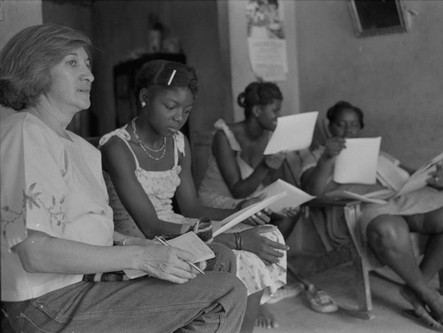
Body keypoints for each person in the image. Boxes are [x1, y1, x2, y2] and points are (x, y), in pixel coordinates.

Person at [0, 24, 246, 333]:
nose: (88, 74)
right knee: (225, 291)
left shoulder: (81, 148)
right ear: (35, 69)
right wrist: (142, 257)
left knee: (217, 258)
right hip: (48, 302)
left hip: (89, 282)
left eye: (88, 64)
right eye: (72, 63)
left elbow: (90, 233)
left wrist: (146, 246)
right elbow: (34, 251)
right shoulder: (26, 132)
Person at [99, 61, 286, 333]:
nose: (179, 118)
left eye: (186, 110)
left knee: (265, 235)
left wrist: (241, 210)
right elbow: (150, 226)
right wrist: (233, 238)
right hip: (139, 238)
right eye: (170, 107)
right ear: (144, 98)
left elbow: (191, 206)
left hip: (177, 225)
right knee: (243, 256)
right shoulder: (117, 146)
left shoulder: (177, 143)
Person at [300, 101, 443, 330]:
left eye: (353, 125)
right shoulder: (317, 155)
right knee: (389, 228)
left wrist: (432, 175)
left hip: (401, 200)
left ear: (360, 127)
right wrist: (327, 159)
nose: (347, 131)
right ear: (329, 126)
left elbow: (410, 172)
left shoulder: (376, 153)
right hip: (363, 209)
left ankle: (417, 288)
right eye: (340, 124)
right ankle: (428, 294)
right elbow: (312, 193)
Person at [198, 81, 338, 326]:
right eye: (275, 111)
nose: (278, 117)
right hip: (221, 201)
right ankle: (255, 299)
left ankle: (260, 289)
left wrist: (285, 198)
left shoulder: (272, 136)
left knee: (289, 213)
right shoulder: (225, 135)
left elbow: (274, 181)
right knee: (256, 224)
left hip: (253, 200)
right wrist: (265, 165)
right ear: (256, 111)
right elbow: (237, 189)